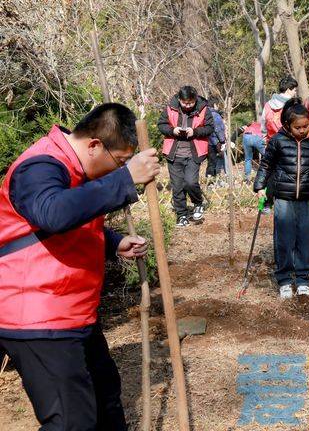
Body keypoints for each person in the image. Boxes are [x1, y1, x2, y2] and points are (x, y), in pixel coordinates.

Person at [0, 103, 160, 430]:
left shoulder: (73, 168)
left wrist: (113, 242)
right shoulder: (39, 166)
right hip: (36, 315)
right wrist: (125, 180)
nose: (120, 170)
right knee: (72, 422)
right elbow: (53, 214)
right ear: (94, 145)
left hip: (71, 311)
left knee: (105, 401)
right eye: (120, 162)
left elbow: (64, 221)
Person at [253, 98, 309, 299]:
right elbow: (266, 165)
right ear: (287, 125)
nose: (303, 130)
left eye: (306, 126)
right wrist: (260, 186)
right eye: (298, 127)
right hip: (284, 197)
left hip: (307, 197)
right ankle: (285, 278)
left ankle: (303, 277)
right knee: (284, 238)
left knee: (306, 237)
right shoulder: (278, 141)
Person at [158, 85, 213, 227]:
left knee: (190, 182)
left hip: (194, 152)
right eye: (184, 103)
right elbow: (161, 125)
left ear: (195, 99)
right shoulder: (170, 108)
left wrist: (194, 132)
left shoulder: (203, 109)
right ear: (179, 99)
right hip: (174, 153)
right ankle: (181, 215)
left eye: (190, 103)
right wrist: (172, 130)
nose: (187, 105)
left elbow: (210, 128)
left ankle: (198, 203)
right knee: (177, 186)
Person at [205, 100, 227, 179]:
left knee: (210, 161)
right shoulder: (215, 115)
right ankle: (211, 180)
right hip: (214, 142)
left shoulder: (203, 114)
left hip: (205, 141)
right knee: (213, 161)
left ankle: (211, 178)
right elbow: (218, 129)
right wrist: (222, 141)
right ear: (214, 104)